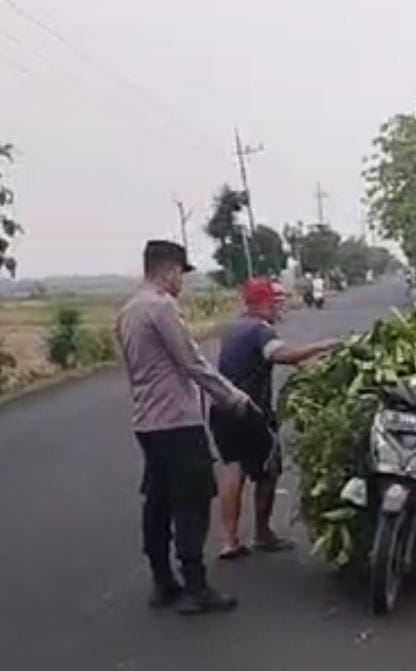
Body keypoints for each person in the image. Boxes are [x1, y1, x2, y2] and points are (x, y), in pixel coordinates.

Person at [116, 240, 259, 615]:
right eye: (181, 273)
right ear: (168, 271)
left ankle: (163, 581)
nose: (183, 281)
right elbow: (191, 363)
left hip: (147, 421)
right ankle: (196, 586)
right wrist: (233, 398)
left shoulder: (128, 311)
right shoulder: (162, 307)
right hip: (177, 422)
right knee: (191, 502)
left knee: (158, 501)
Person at [210, 278, 340, 559]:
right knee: (269, 470)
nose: (279, 308)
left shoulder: (233, 327)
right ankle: (262, 534)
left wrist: (308, 366)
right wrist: (323, 346)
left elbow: (266, 358)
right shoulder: (260, 329)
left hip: (222, 407)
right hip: (251, 411)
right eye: (275, 303)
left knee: (234, 468)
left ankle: (229, 540)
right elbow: (280, 354)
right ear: (261, 303)